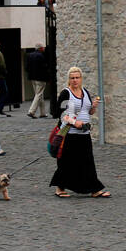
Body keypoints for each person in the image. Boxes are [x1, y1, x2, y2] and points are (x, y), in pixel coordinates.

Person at [51, 67, 109, 198]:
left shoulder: (85, 92)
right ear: (69, 80)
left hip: (84, 133)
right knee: (67, 161)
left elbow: (89, 112)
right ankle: (60, 188)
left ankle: (95, 189)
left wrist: (93, 107)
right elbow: (60, 114)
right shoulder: (66, 93)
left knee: (88, 161)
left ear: (81, 78)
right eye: (72, 78)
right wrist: (74, 122)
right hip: (69, 134)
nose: (75, 80)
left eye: (77, 77)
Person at [25, 43, 49, 117]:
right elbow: (44, 67)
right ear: (41, 48)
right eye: (43, 47)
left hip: (32, 78)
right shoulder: (41, 56)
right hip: (40, 78)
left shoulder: (29, 55)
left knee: (39, 94)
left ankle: (43, 113)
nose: (44, 49)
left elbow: (27, 68)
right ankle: (31, 111)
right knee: (38, 94)